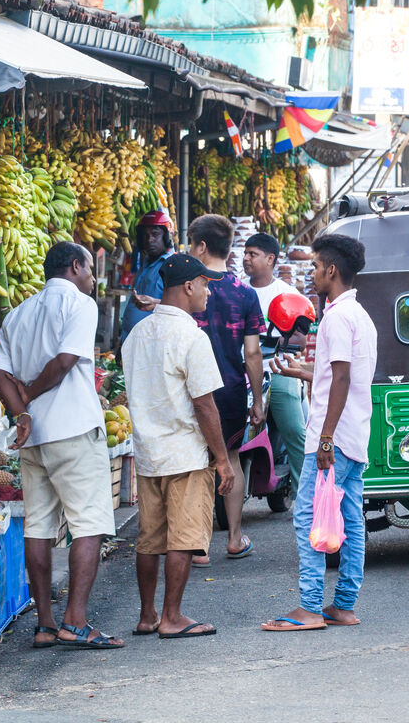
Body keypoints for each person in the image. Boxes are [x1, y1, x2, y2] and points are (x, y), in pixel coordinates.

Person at [0, 242, 123, 650]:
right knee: (89, 524)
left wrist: (22, 413)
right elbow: (66, 361)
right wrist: (29, 393)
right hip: (75, 429)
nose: (92, 277)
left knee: (39, 527)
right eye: (89, 267)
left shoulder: (18, 313)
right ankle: (76, 621)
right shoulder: (80, 305)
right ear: (75, 266)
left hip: (35, 438)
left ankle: (46, 623)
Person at [262, 234, 377, 632]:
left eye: (314, 267)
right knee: (349, 519)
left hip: (334, 439)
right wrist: (300, 371)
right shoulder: (359, 315)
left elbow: (342, 378)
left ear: (331, 270)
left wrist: (325, 437)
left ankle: (310, 607)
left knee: (308, 516)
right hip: (353, 435)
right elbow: (338, 376)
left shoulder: (337, 318)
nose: (311, 274)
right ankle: (342, 605)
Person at [123, 254, 237, 639]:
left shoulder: (136, 335)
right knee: (184, 537)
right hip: (185, 453)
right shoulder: (191, 336)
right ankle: (172, 617)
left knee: (149, 538)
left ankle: (147, 614)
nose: (208, 291)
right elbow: (204, 404)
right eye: (205, 284)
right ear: (188, 286)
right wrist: (222, 460)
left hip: (149, 453)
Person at [187, 214, 265, 564]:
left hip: (191, 390)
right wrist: (258, 400)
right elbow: (252, 352)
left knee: (198, 465)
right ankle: (234, 538)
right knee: (230, 458)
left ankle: (198, 546)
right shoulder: (245, 293)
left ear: (201, 246)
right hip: (230, 390)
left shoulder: (186, 287)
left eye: (191, 244)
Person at [242, 233, 308, 502]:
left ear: (270, 259)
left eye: (253, 254)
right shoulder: (236, 290)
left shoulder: (287, 294)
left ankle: (307, 497)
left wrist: (277, 338)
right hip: (241, 372)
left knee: (295, 432)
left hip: (278, 371)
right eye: (245, 253)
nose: (246, 258)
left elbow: (301, 339)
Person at [119, 210, 176, 343]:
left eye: (155, 234)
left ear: (167, 236)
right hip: (132, 342)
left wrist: (155, 303)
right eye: (145, 235)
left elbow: (179, 308)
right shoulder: (146, 264)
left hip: (153, 344)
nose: (149, 240)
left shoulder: (173, 266)